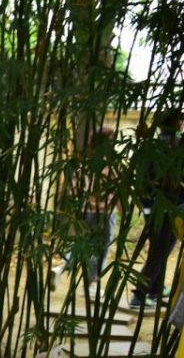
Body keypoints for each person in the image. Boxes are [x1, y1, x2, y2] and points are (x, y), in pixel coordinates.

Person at [50, 126, 119, 294]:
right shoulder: (109, 165)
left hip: (85, 211)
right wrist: (121, 210)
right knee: (101, 249)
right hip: (105, 213)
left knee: (83, 245)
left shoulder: (83, 164)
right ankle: (91, 284)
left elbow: (73, 189)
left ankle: (61, 267)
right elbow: (118, 191)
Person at [130, 109, 183, 309]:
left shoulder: (149, 146)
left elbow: (140, 178)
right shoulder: (176, 146)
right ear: (177, 124)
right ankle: (139, 294)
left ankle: (154, 289)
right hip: (170, 207)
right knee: (159, 250)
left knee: (160, 248)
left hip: (150, 205)